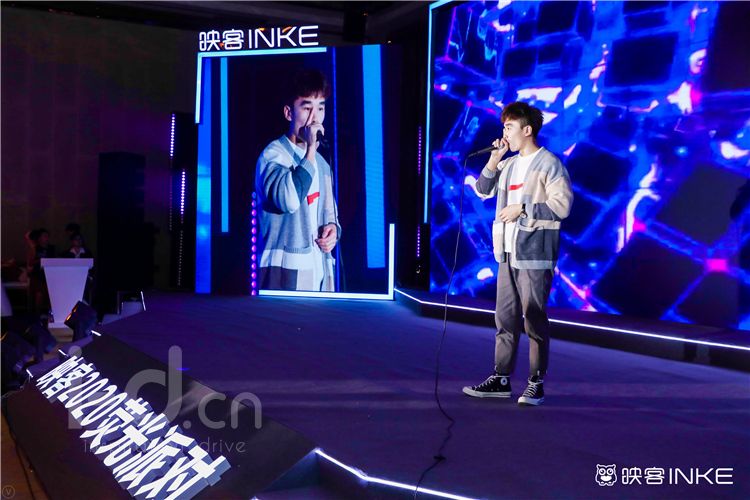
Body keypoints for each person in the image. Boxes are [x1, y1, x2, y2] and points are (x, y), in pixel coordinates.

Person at [463, 102, 573, 406]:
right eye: (504, 127)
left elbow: (562, 206)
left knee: (533, 319)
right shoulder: (509, 164)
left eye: (509, 127)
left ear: (527, 130)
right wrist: (494, 158)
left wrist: (522, 208)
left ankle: (536, 382)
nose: (504, 133)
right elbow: (482, 189)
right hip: (507, 252)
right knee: (505, 318)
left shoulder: (549, 163)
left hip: (535, 254)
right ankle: (500, 377)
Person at [255, 69, 340, 291]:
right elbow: (289, 200)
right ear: (288, 113)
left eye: (320, 108)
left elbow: (330, 213)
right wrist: (311, 150)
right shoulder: (273, 155)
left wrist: (333, 230)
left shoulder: (322, 163)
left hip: (320, 273)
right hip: (284, 275)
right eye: (307, 108)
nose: (315, 118)